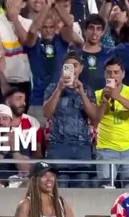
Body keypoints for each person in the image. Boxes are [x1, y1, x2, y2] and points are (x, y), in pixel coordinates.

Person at [43, 49, 97, 188]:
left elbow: (94, 117)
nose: (72, 69)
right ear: (62, 69)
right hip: (58, 146)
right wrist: (59, 90)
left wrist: (82, 93)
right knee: (59, 188)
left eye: (75, 65)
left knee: (83, 187)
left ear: (81, 68)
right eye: (68, 66)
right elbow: (47, 113)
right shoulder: (52, 88)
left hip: (82, 147)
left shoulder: (88, 90)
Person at [24, 2, 77, 128]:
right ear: (40, 28)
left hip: (60, 100)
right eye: (44, 27)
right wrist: (47, 6)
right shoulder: (33, 44)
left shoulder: (62, 41)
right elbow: (32, 30)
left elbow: (69, 23)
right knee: (35, 140)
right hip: (38, 101)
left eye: (51, 27)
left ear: (56, 27)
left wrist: (55, 4)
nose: (48, 30)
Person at [95, 56, 129, 188]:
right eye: (109, 72)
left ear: (123, 74)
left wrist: (118, 97)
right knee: (105, 190)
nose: (112, 76)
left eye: (116, 72)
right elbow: (95, 120)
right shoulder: (98, 94)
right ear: (105, 75)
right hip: (106, 150)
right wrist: (105, 101)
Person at [13, 161, 78, 217]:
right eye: (44, 176)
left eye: (52, 175)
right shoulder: (26, 204)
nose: (49, 179)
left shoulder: (62, 203)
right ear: (35, 180)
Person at [79, 15, 113, 94]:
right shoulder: (76, 55)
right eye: (91, 28)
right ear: (85, 31)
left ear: (102, 32)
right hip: (82, 98)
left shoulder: (110, 54)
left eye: (98, 29)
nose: (94, 32)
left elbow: (113, 77)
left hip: (105, 97)